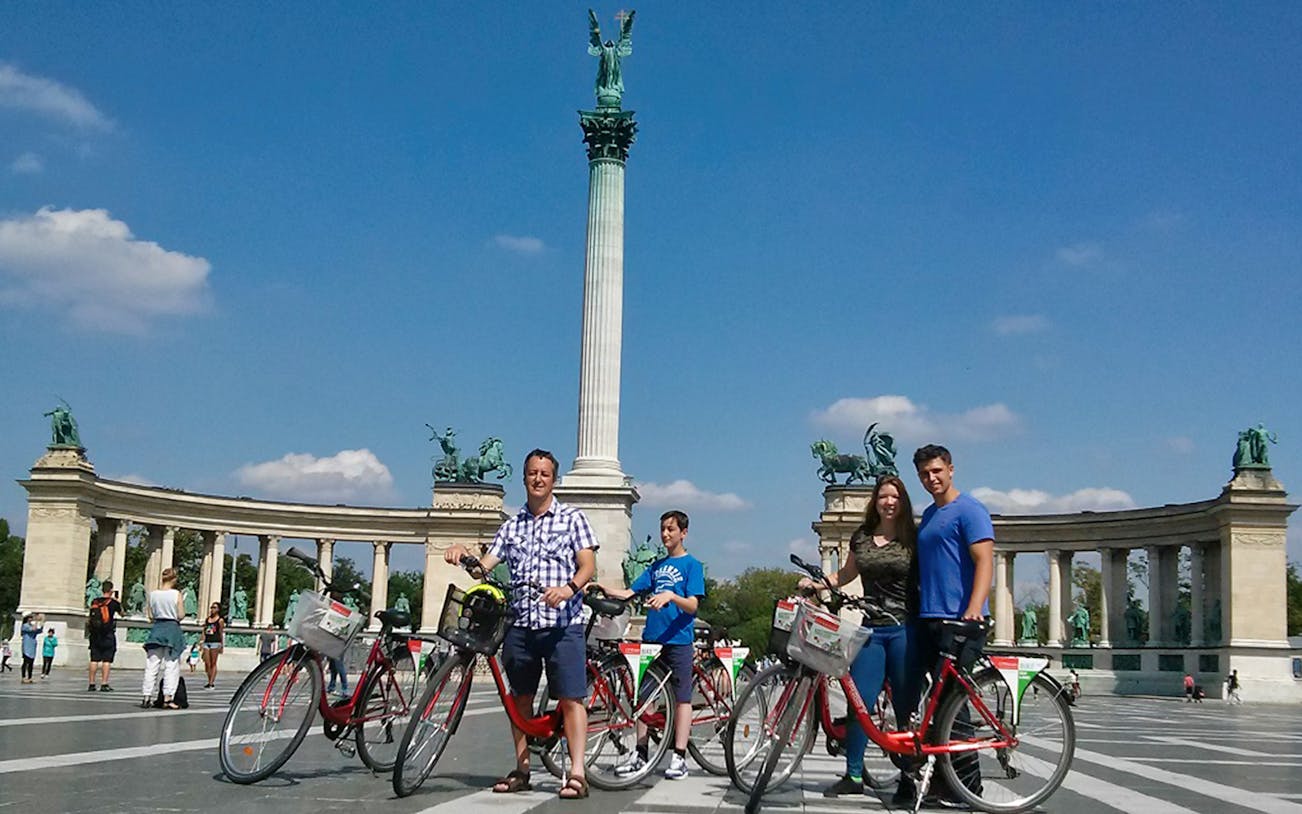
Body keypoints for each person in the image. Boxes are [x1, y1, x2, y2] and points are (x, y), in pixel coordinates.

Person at [442, 449, 598, 800]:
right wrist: (463, 553)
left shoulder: (573, 518)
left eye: (544, 473)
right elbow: (485, 567)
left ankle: (576, 772)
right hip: (522, 623)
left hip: (563, 622)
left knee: (572, 698)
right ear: (524, 478)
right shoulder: (511, 525)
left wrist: (568, 588)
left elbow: (587, 565)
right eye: (532, 473)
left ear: (554, 480)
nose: (538, 479)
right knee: (520, 698)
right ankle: (522, 767)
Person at [793, 476, 920, 801]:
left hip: (904, 628)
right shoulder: (862, 537)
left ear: (902, 501)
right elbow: (846, 574)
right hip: (873, 629)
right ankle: (853, 773)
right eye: (883, 497)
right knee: (858, 701)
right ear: (874, 502)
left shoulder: (913, 538)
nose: (888, 502)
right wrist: (819, 584)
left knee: (905, 706)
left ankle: (907, 777)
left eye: (894, 497)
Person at [592, 510, 707, 781]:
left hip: (678, 639)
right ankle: (641, 752)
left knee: (682, 698)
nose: (666, 534)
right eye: (663, 529)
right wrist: (602, 587)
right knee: (643, 698)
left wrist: (670, 596)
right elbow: (630, 592)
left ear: (684, 533)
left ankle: (679, 756)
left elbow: (693, 604)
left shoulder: (692, 565)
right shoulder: (656, 567)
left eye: (671, 529)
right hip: (653, 638)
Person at [913, 444, 994, 803]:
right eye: (924, 474)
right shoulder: (929, 515)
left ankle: (968, 785)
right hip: (931, 617)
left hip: (961, 619)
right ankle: (947, 778)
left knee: (954, 705)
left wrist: (974, 608)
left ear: (951, 469)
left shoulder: (970, 510)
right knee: (937, 703)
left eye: (937, 471)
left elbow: (985, 561)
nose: (932, 478)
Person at [141, 568, 186, 709]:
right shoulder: (176, 594)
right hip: (172, 629)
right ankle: (168, 698)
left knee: (151, 665)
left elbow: (150, 615)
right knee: (171, 666)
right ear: (174, 579)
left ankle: (146, 696)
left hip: (157, 629)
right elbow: (181, 615)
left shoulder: (153, 594)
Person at [87, 580, 122, 691]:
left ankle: (92, 683)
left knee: (94, 659)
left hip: (95, 634)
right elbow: (122, 613)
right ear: (111, 591)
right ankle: (104, 683)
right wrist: (118, 602)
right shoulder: (113, 603)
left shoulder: (95, 601)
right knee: (106, 660)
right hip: (108, 634)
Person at [200, 602, 224, 688]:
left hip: (215, 642)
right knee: (207, 662)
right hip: (207, 642)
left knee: (213, 663)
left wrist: (222, 645)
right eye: (212, 607)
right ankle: (209, 678)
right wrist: (201, 641)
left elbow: (221, 632)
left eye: (214, 607)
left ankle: (211, 682)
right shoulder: (207, 619)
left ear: (218, 609)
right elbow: (204, 630)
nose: (212, 609)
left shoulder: (220, 620)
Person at [19, 614, 40, 683]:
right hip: (26, 646)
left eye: (31, 617)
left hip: (32, 646)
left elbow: (37, 630)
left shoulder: (31, 625)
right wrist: (37, 621)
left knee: (31, 663)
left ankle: (30, 677)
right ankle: (23, 677)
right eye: (30, 617)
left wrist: (41, 622)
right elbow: (33, 629)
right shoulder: (25, 626)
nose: (31, 619)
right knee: (26, 662)